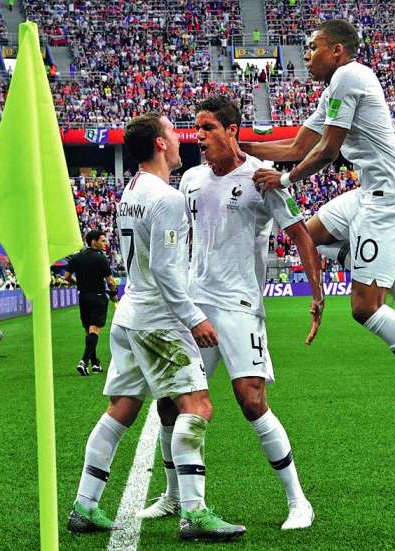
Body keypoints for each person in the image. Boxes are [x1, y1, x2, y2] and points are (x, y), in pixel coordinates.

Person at [245, 20, 395, 452]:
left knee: (364, 309)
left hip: (392, 200)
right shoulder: (333, 88)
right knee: (307, 237)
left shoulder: (351, 76)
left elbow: (326, 151)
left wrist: (287, 181)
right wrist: (242, 148)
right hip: (371, 194)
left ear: (336, 51)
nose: (305, 54)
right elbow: (297, 145)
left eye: (312, 47)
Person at [138, 97, 322, 529]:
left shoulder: (262, 178)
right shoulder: (190, 181)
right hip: (196, 306)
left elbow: (300, 235)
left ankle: (299, 502)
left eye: (208, 127)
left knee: (252, 400)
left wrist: (316, 295)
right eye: (196, 128)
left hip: (240, 308)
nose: (198, 135)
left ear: (232, 130)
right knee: (171, 402)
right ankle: (171, 495)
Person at [67, 112, 245, 541]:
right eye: (172, 132)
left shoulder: (130, 191)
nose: (181, 138)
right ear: (160, 144)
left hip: (130, 315)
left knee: (121, 409)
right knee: (197, 406)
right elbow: (167, 273)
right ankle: (194, 514)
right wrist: (195, 318)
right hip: (158, 320)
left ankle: (85, 504)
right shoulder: (166, 198)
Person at [65, 229, 118, 375]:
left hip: (83, 297)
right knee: (95, 330)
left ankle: (95, 364)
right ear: (93, 242)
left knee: (88, 331)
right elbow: (110, 280)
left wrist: (79, 283)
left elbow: (67, 277)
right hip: (98, 296)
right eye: (102, 240)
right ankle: (84, 361)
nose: (105, 243)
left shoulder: (76, 257)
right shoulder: (101, 258)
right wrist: (114, 294)